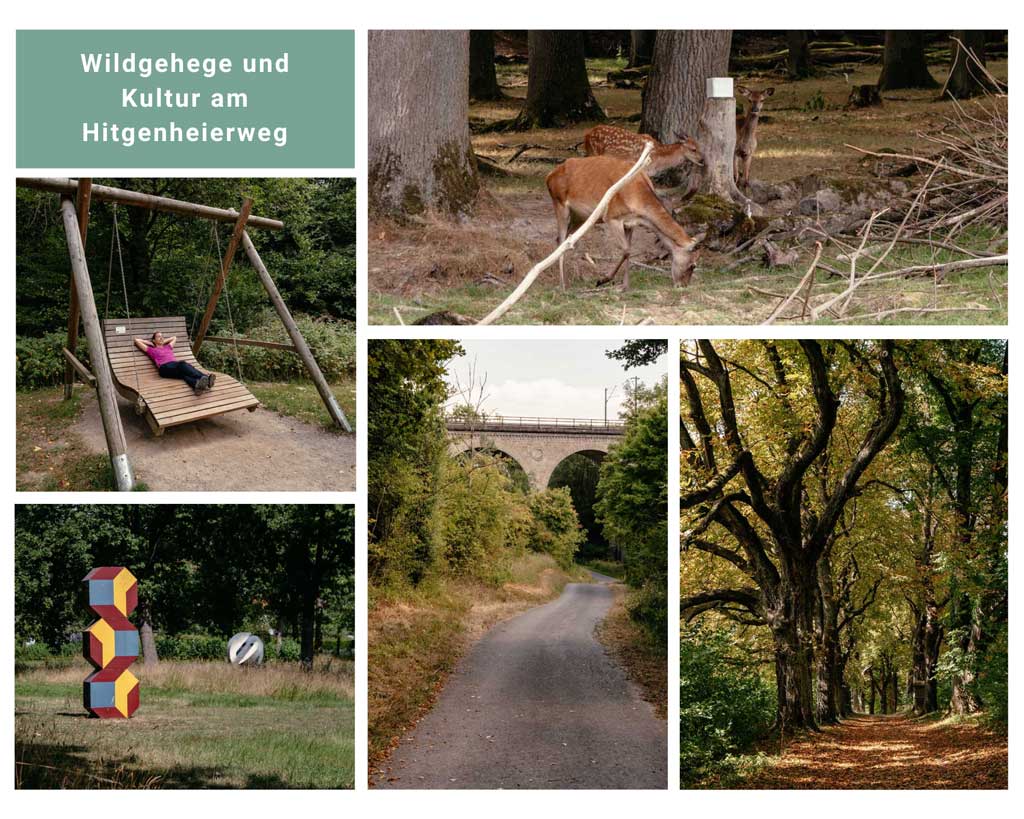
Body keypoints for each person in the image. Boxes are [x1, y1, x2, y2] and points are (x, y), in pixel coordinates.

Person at [133, 332, 217, 394]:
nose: (161, 338)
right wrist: (151, 343)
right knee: (182, 364)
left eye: (162, 336)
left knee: (183, 374)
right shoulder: (151, 350)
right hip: (164, 368)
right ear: (154, 340)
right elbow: (137, 341)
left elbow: (174, 337)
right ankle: (204, 377)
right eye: (158, 337)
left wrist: (162, 341)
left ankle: (196, 385)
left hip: (174, 367)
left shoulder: (168, 347)